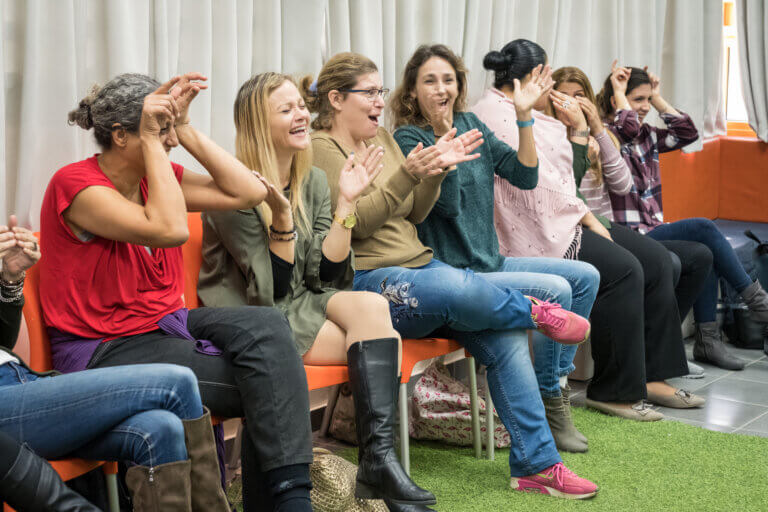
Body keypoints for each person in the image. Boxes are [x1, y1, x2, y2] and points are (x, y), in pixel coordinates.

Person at [308, 51, 598, 500]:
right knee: (456, 287)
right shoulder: (321, 150)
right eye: (369, 93)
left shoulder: (382, 138)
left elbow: (414, 211)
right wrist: (407, 174)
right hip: (369, 282)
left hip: (421, 266)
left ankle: (537, 465)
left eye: (379, 92)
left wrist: (435, 174)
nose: (378, 102)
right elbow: (358, 222)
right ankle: (535, 310)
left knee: (502, 333)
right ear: (335, 98)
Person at [40, 72, 314, 511]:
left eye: (167, 129)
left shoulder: (158, 178)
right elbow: (167, 230)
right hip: (104, 349)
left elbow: (247, 192)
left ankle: (290, 500)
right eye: (158, 129)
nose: (167, 141)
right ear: (121, 136)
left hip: (165, 325)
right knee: (271, 387)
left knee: (267, 326)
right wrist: (156, 142)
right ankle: (288, 504)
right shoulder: (77, 186)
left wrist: (184, 128)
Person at [198, 72, 435, 510]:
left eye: (300, 107)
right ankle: (379, 467)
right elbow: (272, 288)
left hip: (302, 299)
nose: (302, 116)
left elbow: (327, 274)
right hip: (256, 316)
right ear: (257, 125)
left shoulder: (312, 182)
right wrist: (282, 219)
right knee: (383, 339)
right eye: (286, 110)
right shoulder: (237, 191)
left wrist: (346, 204)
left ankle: (379, 463)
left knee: (371, 306)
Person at [474, 39, 707, 422]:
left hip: (569, 216)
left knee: (656, 261)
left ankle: (652, 376)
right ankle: (612, 391)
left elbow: (565, 181)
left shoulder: (530, 112)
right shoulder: (498, 114)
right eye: (548, 76)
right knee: (626, 269)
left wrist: (584, 131)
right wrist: (584, 212)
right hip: (541, 231)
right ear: (536, 75)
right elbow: (536, 188)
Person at [390, 43, 599, 455]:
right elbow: (446, 207)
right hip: (456, 274)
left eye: (448, 79)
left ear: (459, 84)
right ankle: (550, 404)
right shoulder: (408, 137)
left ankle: (551, 387)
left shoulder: (472, 123)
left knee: (585, 277)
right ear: (412, 91)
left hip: (491, 259)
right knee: (556, 290)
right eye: (429, 81)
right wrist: (442, 140)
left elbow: (523, 175)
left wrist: (524, 116)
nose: (440, 88)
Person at [0, 216, 225, 511]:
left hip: (20, 379)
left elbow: (4, 340)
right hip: (8, 403)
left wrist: (9, 280)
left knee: (162, 428)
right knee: (177, 383)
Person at [597, 64, 768, 371]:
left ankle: (707, 341)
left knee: (706, 249)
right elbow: (627, 129)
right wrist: (621, 95)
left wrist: (658, 98)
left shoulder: (647, 136)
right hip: (628, 236)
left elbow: (687, 133)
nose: (645, 108)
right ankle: (760, 304)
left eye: (647, 101)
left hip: (653, 229)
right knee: (703, 226)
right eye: (639, 100)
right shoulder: (608, 136)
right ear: (617, 101)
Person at [551, 65, 714, 380]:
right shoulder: (557, 137)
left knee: (697, 255)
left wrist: (597, 127)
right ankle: (653, 354)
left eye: (579, 96)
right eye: (564, 96)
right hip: (598, 232)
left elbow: (625, 181)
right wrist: (604, 111)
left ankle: (662, 351)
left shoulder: (638, 134)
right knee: (673, 256)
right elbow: (564, 197)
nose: (571, 103)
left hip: (619, 230)